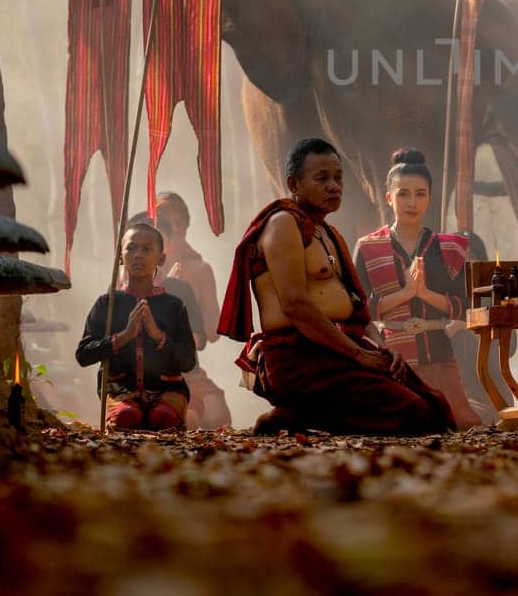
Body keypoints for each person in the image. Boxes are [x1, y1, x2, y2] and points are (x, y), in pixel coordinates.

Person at [216, 137, 455, 435]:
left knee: (436, 407)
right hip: (298, 358)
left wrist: (381, 348)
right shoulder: (283, 223)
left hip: (338, 351)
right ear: (294, 183)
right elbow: (295, 305)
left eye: (338, 177)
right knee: (415, 414)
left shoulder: (327, 232)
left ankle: (300, 414)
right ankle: (298, 416)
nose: (334, 186)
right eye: (322, 178)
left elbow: (356, 309)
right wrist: (356, 354)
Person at [353, 149, 481, 428]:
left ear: (430, 198)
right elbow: (356, 308)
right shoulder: (367, 247)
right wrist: (403, 295)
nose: (412, 202)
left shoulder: (448, 248)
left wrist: (423, 294)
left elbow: (464, 305)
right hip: (391, 360)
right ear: (389, 197)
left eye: (420, 194)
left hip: (439, 355)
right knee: (396, 427)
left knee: (456, 425)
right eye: (403, 194)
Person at [75, 221, 198, 431]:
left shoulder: (174, 306)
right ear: (120, 256)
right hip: (120, 390)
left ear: (161, 258)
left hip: (168, 390)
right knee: (126, 417)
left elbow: (188, 362)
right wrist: (124, 336)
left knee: (163, 419)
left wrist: (158, 335)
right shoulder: (107, 304)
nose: (137, 255)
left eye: (147, 249)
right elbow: (83, 355)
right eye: (130, 248)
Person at [153, 191, 233, 430]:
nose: (175, 230)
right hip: (146, 368)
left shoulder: (199, 269)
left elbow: (212, 334)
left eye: (180, 223)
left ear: (187, 227)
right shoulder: (136, 268)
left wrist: (186, 300)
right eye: (167, 223)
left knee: (218, 417)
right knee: (185, 419)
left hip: (188, 370)